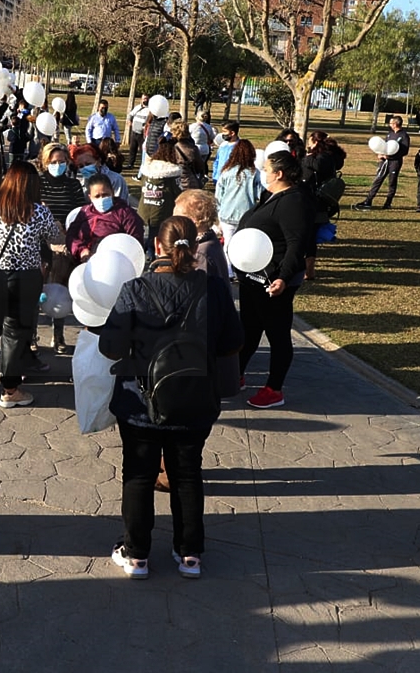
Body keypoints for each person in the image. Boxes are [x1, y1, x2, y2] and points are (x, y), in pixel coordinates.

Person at [99, 215, 242, 580]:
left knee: (138, 475)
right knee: (187, 474)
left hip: (139, 402)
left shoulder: (135, 288)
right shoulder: (214, 289)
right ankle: (190, 554)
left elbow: (111, 348)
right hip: (195, 398)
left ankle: (136, 555)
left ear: (157, 247)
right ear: (196, 248)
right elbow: (231, 344)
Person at [0, 162, 59, 407]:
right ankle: (10, 389)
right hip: (25, 277)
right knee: (15, 333)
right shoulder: (38, 211)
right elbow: (55, 237)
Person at [236, 151, 314, 409]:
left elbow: (296, 245)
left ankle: (274, 389)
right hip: (252, 279)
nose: (263, 172)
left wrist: (282, 278)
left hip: (272, 282)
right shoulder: (272, 195)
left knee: (277, 335)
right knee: (248, 329)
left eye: (266, 168)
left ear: (279, 174)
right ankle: (235, 375)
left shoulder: (293, 201)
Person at [38, 143, 87, 354]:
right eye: (53, 162)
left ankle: (58, 335)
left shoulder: (73, 185)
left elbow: (80, 212)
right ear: (45, 162)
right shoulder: (38, 184)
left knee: (61, 291)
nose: (57, 165)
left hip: (65, 243)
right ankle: (32, 336)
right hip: (40, 243)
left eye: (61, 162)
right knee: (38, 290)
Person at [66, 173, 145, 262]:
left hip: (114, 262)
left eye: (105, 195)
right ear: (90, 197)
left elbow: (135, 243)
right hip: (84, 261)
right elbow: (71, 236)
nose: (101, 199)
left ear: (112, 192)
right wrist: (81, 250)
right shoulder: (84, 212)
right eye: (97, 196)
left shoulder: (126, 213)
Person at [301, 131, 347, 281]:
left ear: (315, 142)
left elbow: (307, 176)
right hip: (324, 202)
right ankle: (310, 270)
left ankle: (305, 269)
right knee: (312, 238)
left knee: (304, 237)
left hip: (309, 201)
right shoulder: (333, 158)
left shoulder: (315, 159)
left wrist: (305, 160)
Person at [215, 139, 262, 275]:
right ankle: (243, 268)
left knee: (228, 244)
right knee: (245, 244)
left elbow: (219, 195)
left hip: (227, 214)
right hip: (247, 214)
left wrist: (218, 213)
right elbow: (259, 194)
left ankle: (229, 271)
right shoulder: (254, 174)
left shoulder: (226, 172)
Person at [137, 138, 182, 257]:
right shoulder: (172, 172)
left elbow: (142, 185)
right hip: (163, 208)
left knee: (150, 230)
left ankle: (147, 249)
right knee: (157, 233)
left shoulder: (148, 168)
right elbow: (177, 191)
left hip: (145, 206)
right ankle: (151, 253)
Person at [354, 115, 410, 210]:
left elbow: (404, 151)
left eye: (391, 123)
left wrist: (391, 156)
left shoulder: (404, 135)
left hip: (395, 162)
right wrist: (381, 154)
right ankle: (368, 200)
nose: (390, 125)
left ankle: (388, 203)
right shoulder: (390, 134)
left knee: (392, 182)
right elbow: (385, 146)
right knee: (378, 179)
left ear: (396, 124)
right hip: (384, 161)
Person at [174, 190, 226, 280]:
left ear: (193, 220)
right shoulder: (209, 239)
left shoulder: (201, 253)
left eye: (177, 218)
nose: (173, 223)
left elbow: (201, 286)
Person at [125, 94, 149, 169]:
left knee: (143, 151)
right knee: (132, 149)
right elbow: (131, 114)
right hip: (134, 131)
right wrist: (129, 120)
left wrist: (144, 127)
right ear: (141, 99)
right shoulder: (137, 107)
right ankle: (130, 164)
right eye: (143, 99)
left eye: (146, 99)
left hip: (142, 133)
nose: (145, 100)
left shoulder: (150, 109)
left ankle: (144, 166)